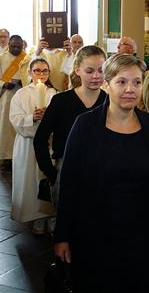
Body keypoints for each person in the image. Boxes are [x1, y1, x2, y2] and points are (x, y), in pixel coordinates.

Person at [54, 53, 149, 292]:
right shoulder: (85, 126)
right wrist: (62, 236)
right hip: (94, 235)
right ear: (106, 84)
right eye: (122, 82)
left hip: (142, 236)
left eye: (136, 82)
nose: (130, 89)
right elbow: (69, 184)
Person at [34, 45, 107, 209]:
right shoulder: (61, 101)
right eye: (89, 71)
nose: (96, 76)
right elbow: (40, 139)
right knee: (66, 223)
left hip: (102, 171)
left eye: (101, 70)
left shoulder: (109, 102)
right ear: (77, 69)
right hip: (66, 169)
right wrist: (52, 174)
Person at [9, 57, 56, 234]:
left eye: (45, 71)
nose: (41, 74)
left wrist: (49, 119)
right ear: (29, 72)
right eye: (37, 70)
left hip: (48, 143)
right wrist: (32, 118)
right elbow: (15, 119)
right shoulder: (20, 94)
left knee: (46, 179)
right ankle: (35, 219)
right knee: (29, 181)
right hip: (27, 145)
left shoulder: (54, 94)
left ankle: (51, 218)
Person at [0, 35, 27, 170]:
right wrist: (4, 84)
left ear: (23, 45)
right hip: (8, 96)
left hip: (24, 97)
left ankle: (22, 155)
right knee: (7, 127)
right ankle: (7, 158)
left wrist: (25, 81)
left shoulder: (27, 59)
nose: (16, 49)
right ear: (8, 45)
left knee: (22, 125)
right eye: (13, 46)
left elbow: (32, 76)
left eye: (18, 46)